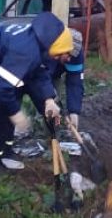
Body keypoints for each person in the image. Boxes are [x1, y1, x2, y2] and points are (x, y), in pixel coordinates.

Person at [0, 12, 74, 184]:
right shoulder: (26, 51)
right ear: (57, 47)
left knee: (6, 112)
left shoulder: (40, 44)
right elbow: (2, 86)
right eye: (64, 53)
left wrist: (49, 99)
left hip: (3, 65)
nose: (65, 58)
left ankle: (4, 153)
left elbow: (39, 72)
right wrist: (16, 113)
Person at [8, 29, 85, 168]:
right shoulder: (45, 50)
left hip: (49, 76)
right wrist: (48, 96)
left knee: (54, 110)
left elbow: (75, 83)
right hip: (25, 75)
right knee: (15, 104)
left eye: (72, 56)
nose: (69, 59)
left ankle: (54, 136)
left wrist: (74, 111)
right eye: (67, 55)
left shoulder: (75, 55)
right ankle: (7, 140)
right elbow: (39, 79)